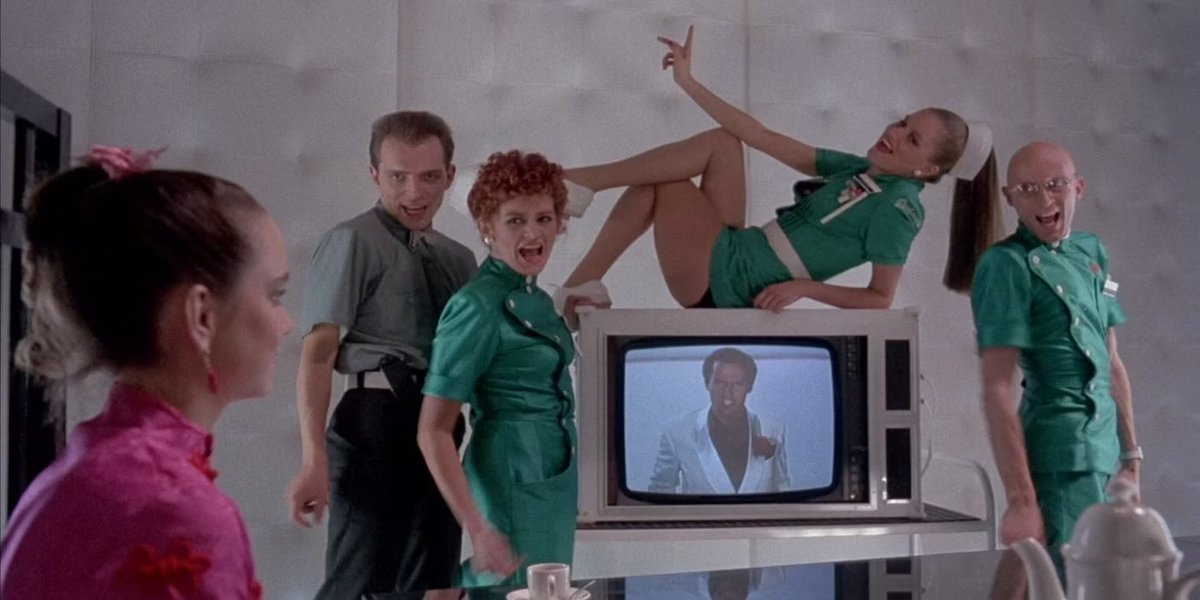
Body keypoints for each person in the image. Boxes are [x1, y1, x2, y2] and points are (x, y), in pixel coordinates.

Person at [555, 26, 1002, 326]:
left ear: (927, 170)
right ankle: (580, 223)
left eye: (913, 140)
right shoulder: (862, 169)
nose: (895, 133)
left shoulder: (898, 209)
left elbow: (880, 299)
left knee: (665, 184)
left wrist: (805, 289)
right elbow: (759, 135)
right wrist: (687, 81)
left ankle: (579, 200)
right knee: (724, 142)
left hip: (727, 286)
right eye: (903, 122)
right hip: (737, 248)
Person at [0, 146, 292, 598]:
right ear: (201, 315)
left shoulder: (87, 467)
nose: (285, 324)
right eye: (274, 296)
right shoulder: (174, 507)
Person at [285, 111, 477, 598]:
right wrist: (312, 460)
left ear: (449, 176)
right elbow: (317, 355)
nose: (414, 193)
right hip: (376, 422)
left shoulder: (458, 259)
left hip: (441, 423)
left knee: (435, 583)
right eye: (398, 177)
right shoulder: (352, 241)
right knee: (360, 584)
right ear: (375, 174)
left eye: (429, 177)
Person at [417, 150, 577, 591]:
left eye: (544, 218)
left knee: (546, 591)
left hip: (551, 470)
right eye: (515, 220)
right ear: (487, 227)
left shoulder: (535, 297)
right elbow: (432, 431)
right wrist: (478, 528)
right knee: (515, 589)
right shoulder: (476, 305)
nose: (533, 233)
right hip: (511, 468)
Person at [971, 141, 1141, 552]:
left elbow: (1111, 360)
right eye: (1028, 189)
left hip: (1105, 454)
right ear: (1009, 198)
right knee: (1071, 576)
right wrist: (1022, 500)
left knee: (1105, 575)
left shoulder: (1092, 251)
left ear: (1078, 188)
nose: (1045, 200)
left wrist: (1131, 458)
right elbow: (997, 388)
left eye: (1055, 185)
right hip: (1059, 455)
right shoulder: (1005, 264)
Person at [649, 347, 790, 494]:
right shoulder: (676, 432)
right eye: (720, 383)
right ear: (707, 383)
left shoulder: (773, 429)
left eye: (737, 384)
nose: (727, 393)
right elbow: (660, 488)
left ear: (750, 386)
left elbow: (782, 485)